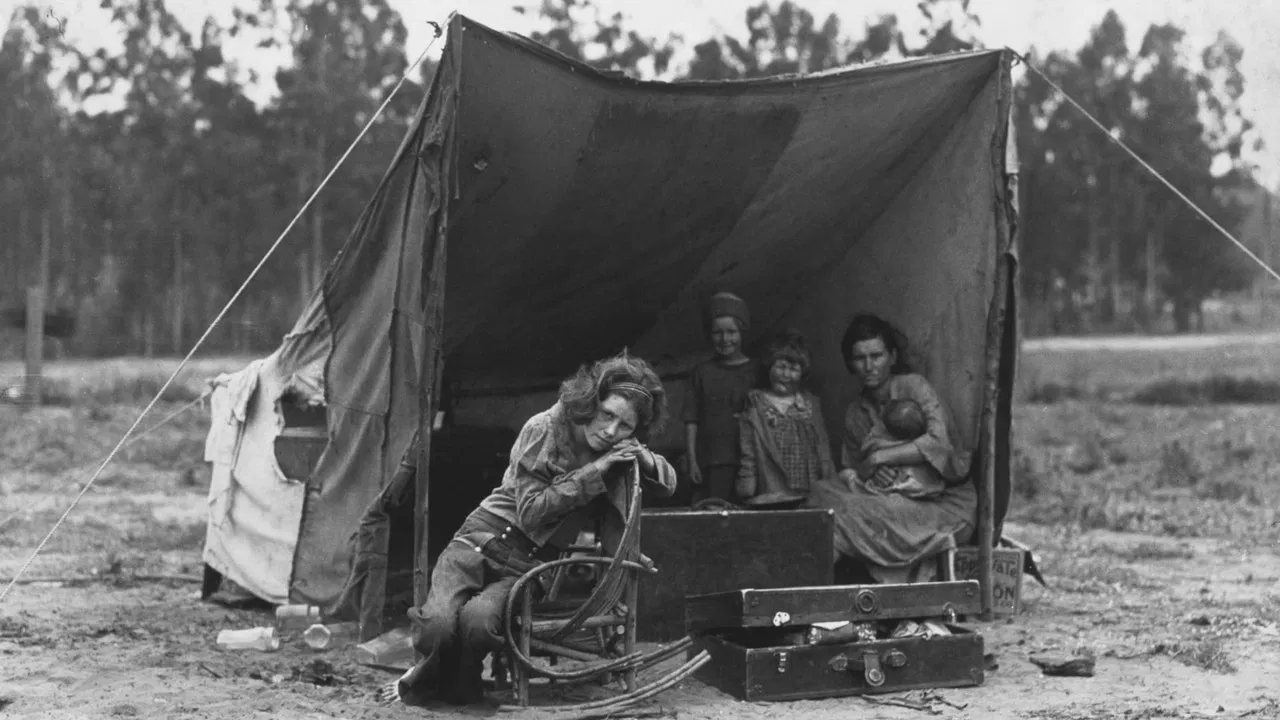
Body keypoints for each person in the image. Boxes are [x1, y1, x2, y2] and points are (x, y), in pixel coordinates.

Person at [393, 352, 677, 706]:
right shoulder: (545, 427)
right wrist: (594, 472)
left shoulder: (619, 455)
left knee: (479, 622)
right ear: (591, 401)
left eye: (625, 426)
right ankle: (433, 678)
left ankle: (460, 683)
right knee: (437, 625)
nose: (610, 431)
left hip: (530, 566)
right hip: (478, 540)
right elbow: (531, 513)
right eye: (607, 415)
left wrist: (645, 456)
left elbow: (666, 483)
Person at [805, 313, 977, 584]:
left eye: (877, 356)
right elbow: (853, 469)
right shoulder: (856, 413)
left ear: (893, 357)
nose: (869, 366)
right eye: (860, 358)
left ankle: (816, 588)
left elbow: (938, 444)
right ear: (850, 363)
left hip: (943, 506)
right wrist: (872, 472)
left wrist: (881, 457)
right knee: (819, 494)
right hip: (891, 499)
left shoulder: (913, 387)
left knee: (838, 517)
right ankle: (817, 588)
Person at [735, 331, 836, 506]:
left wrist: (830, 483)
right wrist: (747, 485)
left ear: (802, 373)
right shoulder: (757, 404)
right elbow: (748, 449)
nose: (786, 375)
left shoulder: (809, 404)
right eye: (781, 367)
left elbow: (823, 448)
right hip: (773, 490)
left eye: (793, 369)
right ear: (769, 367)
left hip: (809, 490)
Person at [682, 292, 759, 504]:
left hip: (750, 462)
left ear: (742, 332)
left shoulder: (756, 371)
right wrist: (692, 460)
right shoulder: (701, 372)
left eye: (731, 332)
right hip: (712, 461)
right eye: (717, 332)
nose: (725, 339)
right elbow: (691, 419)